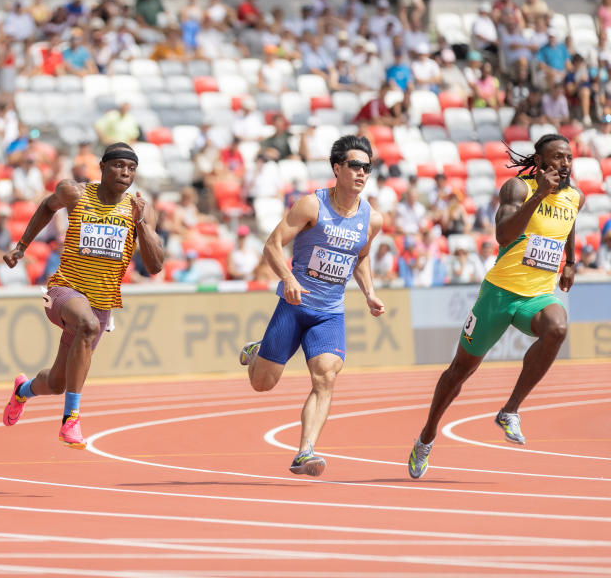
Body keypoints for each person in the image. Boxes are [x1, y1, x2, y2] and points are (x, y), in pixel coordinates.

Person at [408, 134, 583, 479]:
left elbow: (569, 222)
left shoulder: (574, 196)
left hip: (536, 296)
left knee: (558, 327)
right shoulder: (517, 189)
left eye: (569, 157)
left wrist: (572, 261)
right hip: (499, 294)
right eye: (558, 157)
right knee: (459, 372)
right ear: (541, 160)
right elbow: (504, 235)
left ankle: (510, 410)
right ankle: (427, 435)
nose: (565, 163)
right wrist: (539, 196)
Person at [0, 143, 165, 448]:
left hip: (101, 303)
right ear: (101, 167)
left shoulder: (138, 209)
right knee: (87, 325)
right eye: (118, 166)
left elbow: (155, 266)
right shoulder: (74, 193)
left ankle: (22, 391)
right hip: (63, 290)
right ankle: (70, 420)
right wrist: (21, 247)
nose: (125, 173)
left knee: (57, 383)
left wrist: (142, 224)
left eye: (131, 169)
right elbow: (47, 207)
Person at [238, 135, 385, 476]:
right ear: (337, 168)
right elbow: (272, 245)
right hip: (294, 305)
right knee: (263, 383)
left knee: (326, 377)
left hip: (329, 312)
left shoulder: (371, 219)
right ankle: (260, 350)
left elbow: (359, 258)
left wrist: (369, 293)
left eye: (367, 167)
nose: (362, 173)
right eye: (355, 166)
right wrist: (289, 279)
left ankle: (305, 451)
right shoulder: (312, 206)